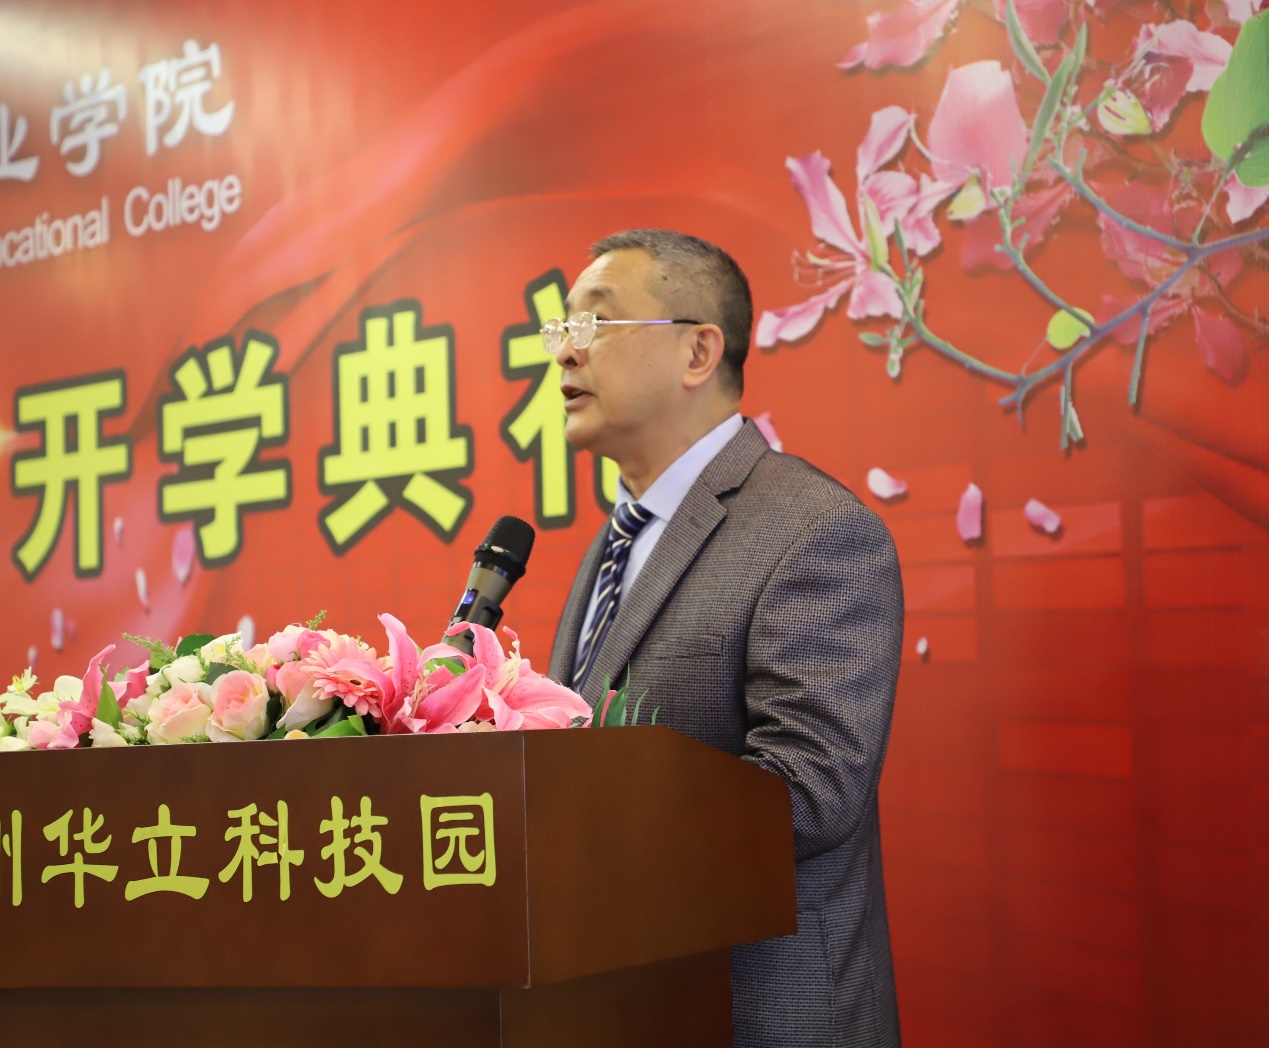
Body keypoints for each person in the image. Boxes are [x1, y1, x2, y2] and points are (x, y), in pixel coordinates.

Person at [546, 229, 904, 1047]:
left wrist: (570, 830)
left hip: (757, 1016)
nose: (565, 351)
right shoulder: (616, 541)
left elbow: (808, 793)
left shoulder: (812, 530)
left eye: (595, 322)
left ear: (698, 352)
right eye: (560, 327)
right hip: (626, 1005)